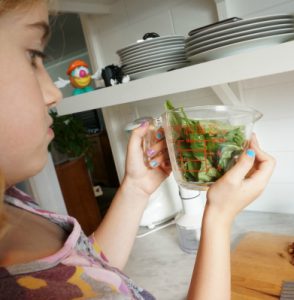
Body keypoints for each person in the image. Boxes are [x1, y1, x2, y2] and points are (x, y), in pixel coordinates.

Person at [0, 0, 275, 299]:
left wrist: (136, 188)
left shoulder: (12, 203)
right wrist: (219, 217)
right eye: (32, 56)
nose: (55, 94)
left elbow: (88, 274)